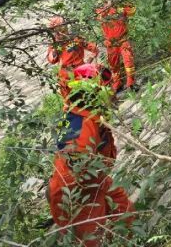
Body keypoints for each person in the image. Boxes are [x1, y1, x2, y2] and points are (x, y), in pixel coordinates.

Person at [48, 63, 133, 247]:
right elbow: (79, 166)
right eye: (107, 88)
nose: (111, 94)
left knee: (126, 214)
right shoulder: (81, 124)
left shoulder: (86, 115)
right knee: (94, 240)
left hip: (95, 182)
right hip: (79, 194)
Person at [46, 16, 98, 104]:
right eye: (55, 30)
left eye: (60, 28)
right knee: (69, 102)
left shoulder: (75, 38)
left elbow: (94, 49)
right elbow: (52, 60)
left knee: (90, 94)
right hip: (65, 74)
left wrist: (88, 63)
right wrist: (56, 47)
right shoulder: (55, 45)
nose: (58, 33)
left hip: (80, 70)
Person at [95, 1, 137, 93]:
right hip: (111, 44)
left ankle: (131, 83)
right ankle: (117, 84)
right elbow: (99, 17)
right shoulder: (100, 9)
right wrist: (108, 6)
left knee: (128, 61)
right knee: (114, 66)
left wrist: (123, 1)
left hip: (123, 41)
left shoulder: (121, 6)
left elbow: (133, 11)